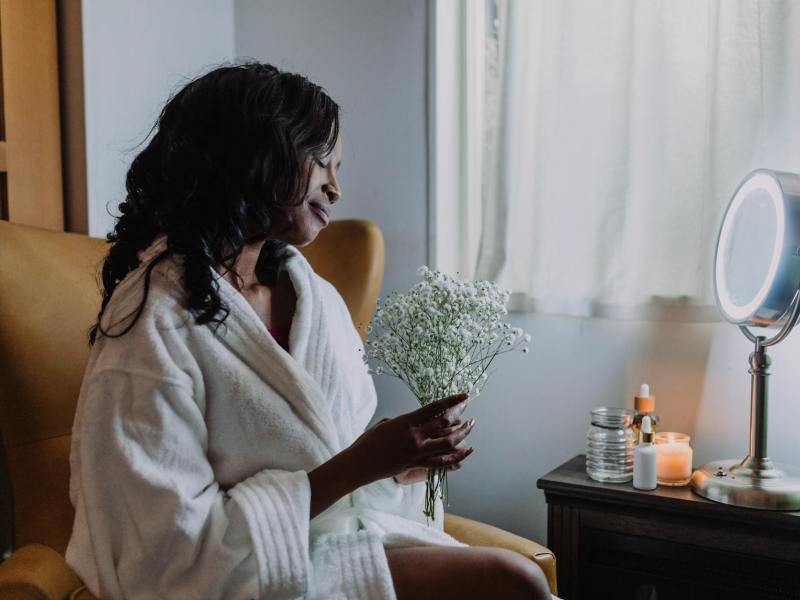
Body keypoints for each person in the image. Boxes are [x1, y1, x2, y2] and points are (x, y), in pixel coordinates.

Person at [66, 62, 550, 600]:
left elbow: (329, 458)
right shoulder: (151, 323)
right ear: (252, 156)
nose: (337, 188)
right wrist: (363, 463)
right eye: (321, 162)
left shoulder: (313, 296)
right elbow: (165, 551)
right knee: (516, 580)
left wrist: (397, 466)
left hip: (328, 545)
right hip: (248, 576)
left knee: (517, 580)